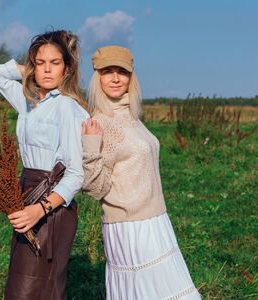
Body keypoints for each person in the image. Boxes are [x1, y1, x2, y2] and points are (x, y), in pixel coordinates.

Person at [81, 45, 201, 299]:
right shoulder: (101, 122)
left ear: (131, 78)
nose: (115, 78)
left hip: (154, 218)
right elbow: (95, 188)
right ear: (98, 77)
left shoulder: (132, 115)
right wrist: (91, 146)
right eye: (107, 72)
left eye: (122, 72)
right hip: (130, 226)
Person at [0, 30, 89, 300]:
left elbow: (76, 174)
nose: (46, 70)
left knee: (38, 288)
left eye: (54, 63)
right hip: (26, 195)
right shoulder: (29, 101)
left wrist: (40, 209)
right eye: (40, 63)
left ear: (67, 69)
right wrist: (30, 71)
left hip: (51, 206)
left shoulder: (68, 108)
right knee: (23, 284)